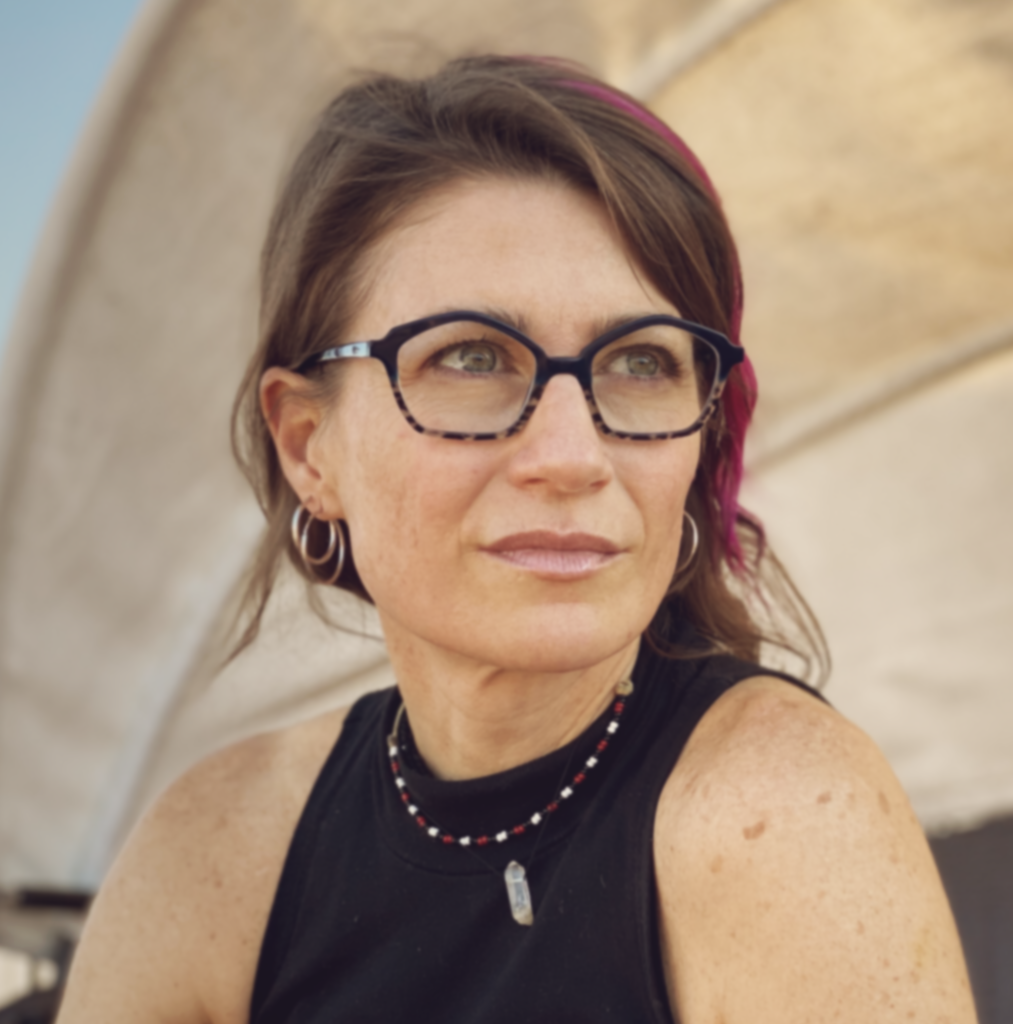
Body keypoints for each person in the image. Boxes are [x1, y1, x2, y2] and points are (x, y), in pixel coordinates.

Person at [55, 56, 975, 1023]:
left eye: (639, 362)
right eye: (470, 357)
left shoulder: (771, 813)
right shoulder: (217, 851)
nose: (574, 454)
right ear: (307, 446)